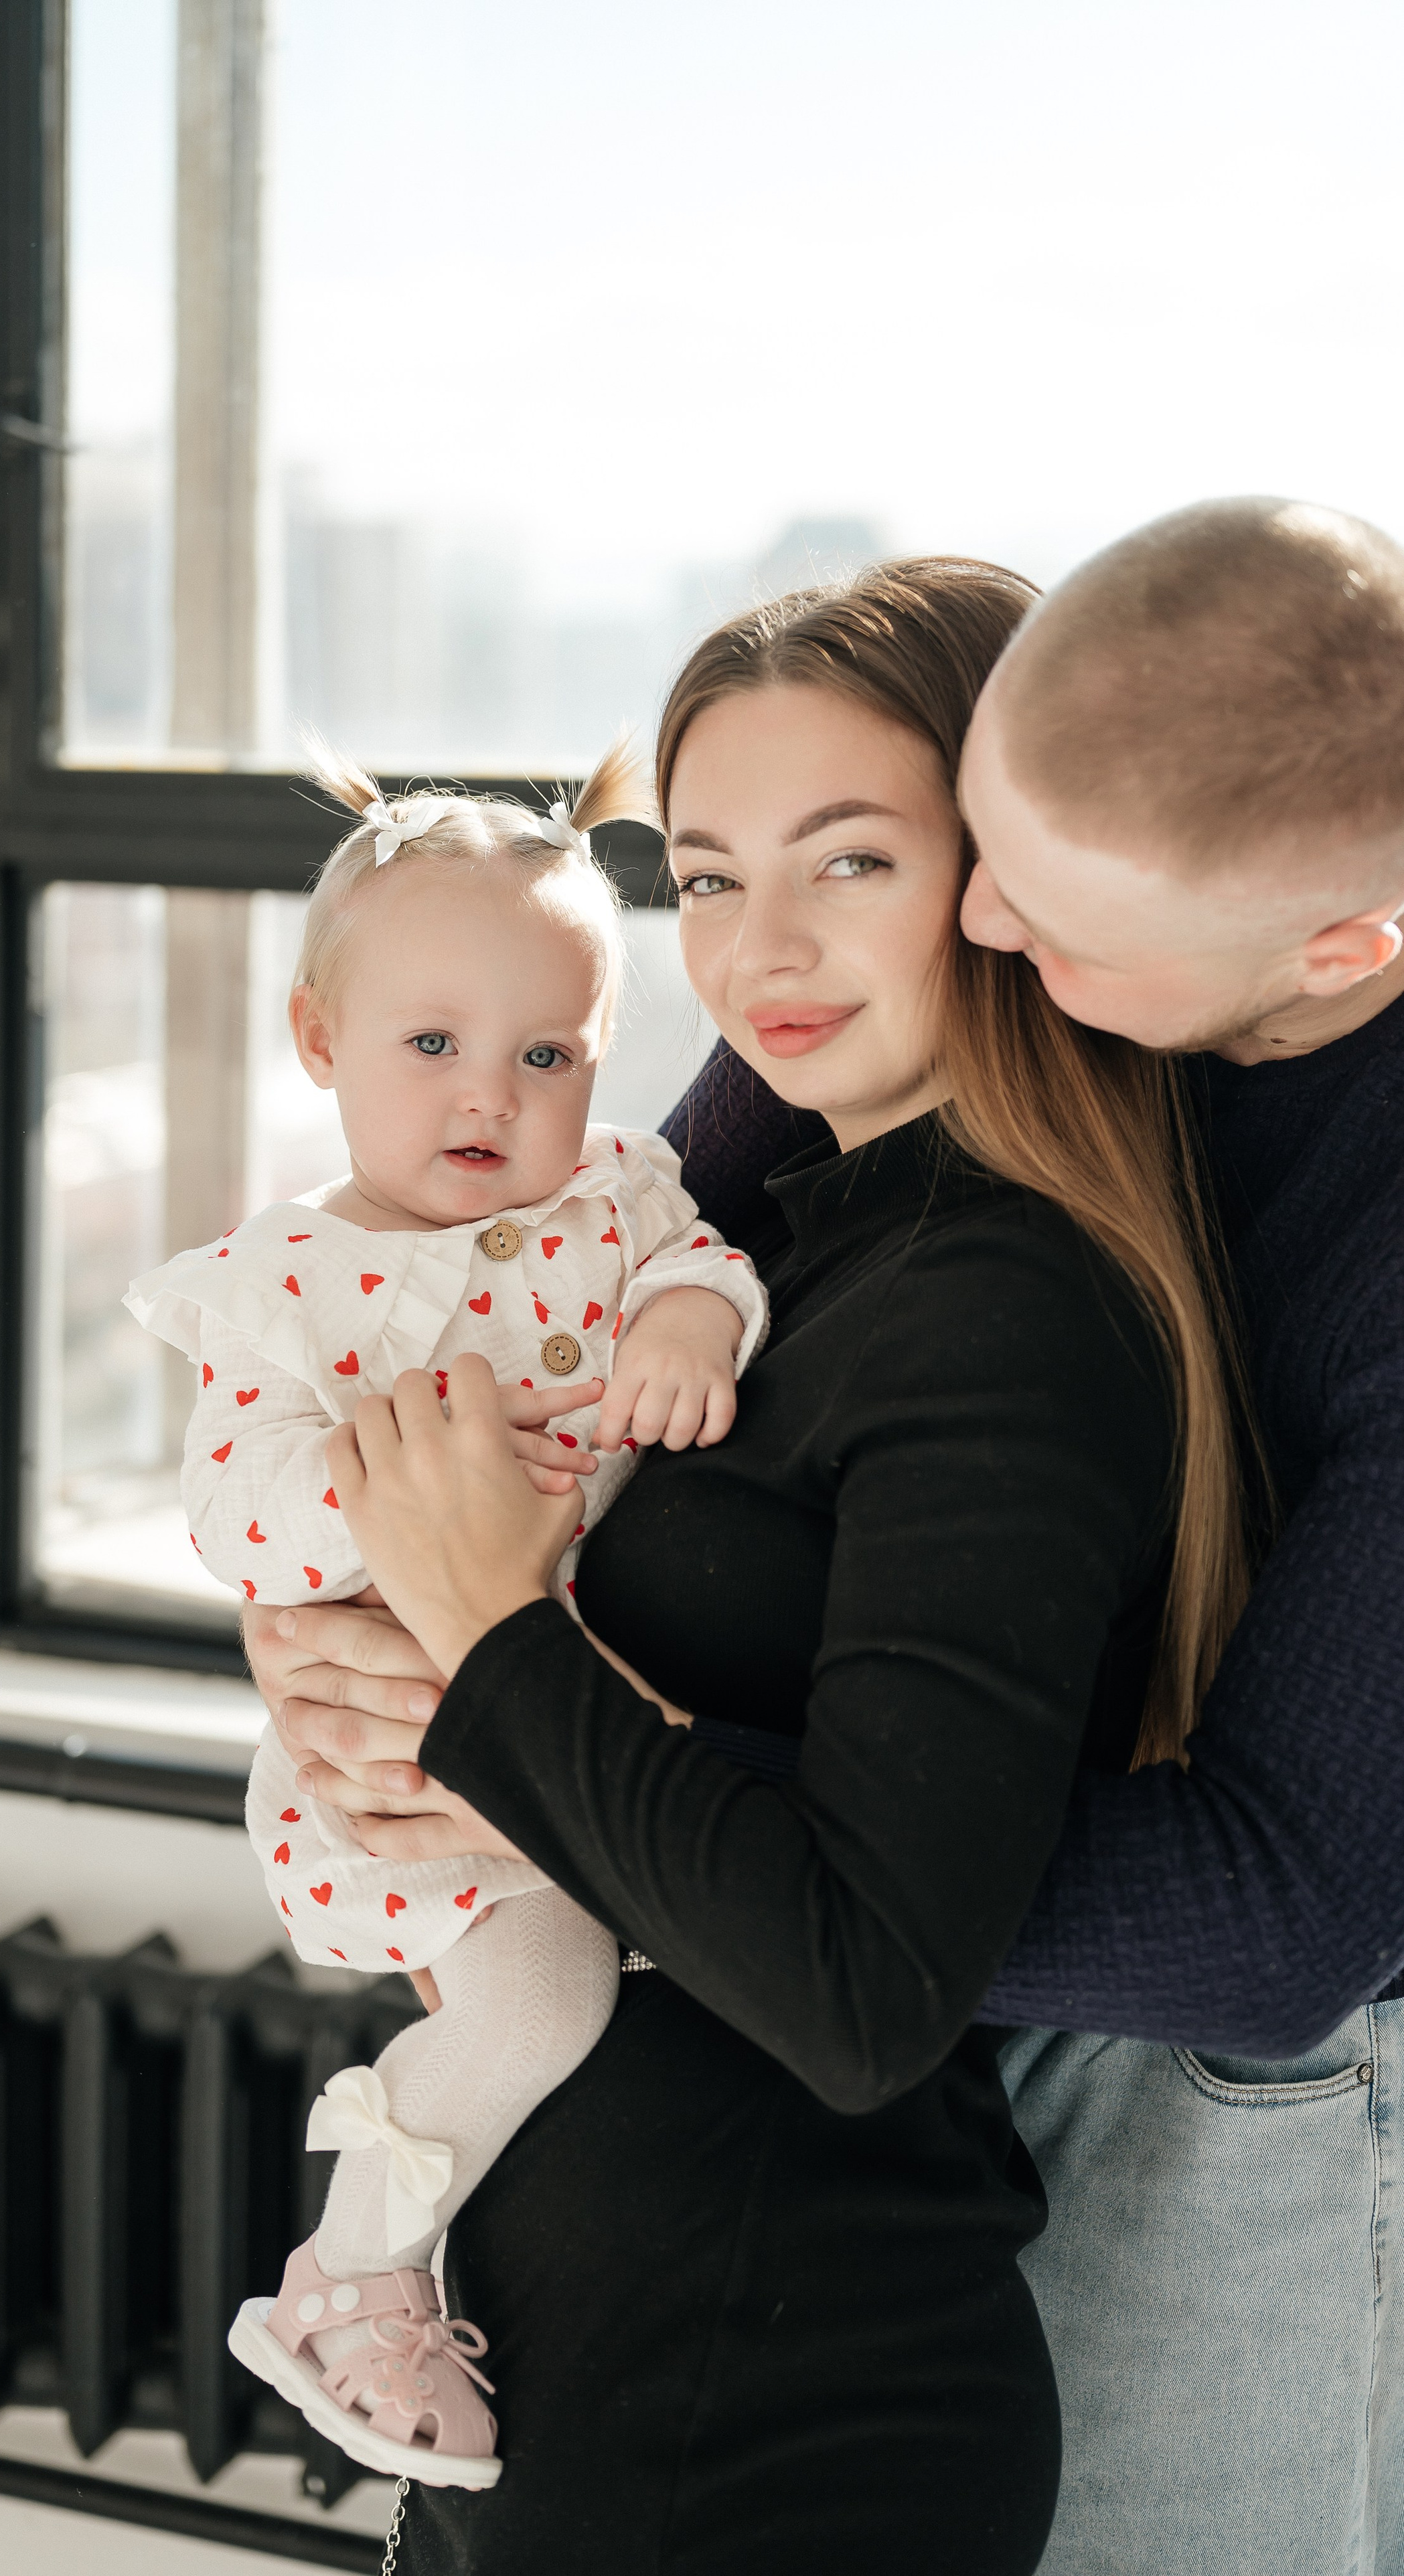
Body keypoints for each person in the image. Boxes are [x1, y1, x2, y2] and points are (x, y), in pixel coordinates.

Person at [255, 560, 1253, 2573]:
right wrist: (343, 1658)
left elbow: (866, 1987)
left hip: (773, 2411)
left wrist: (483, 1646)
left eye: (848, 861)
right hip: (579, 2358)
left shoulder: (1007, 1306)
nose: (759, 949)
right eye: (704, 878)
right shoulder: (766, 1235)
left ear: (1004, 876)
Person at [599, 498, 1404, 2573]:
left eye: (1032, 909)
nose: (969, 933)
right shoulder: (1052, 904)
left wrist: (612, 1792)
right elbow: (636, 1261)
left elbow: (1280, 1914)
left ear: (1339, 950)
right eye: (961, 851)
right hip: (937, 1950)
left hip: (1259, 2063)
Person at [124, 742, 766, 2490]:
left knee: (614, 2015)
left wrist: (691, 1331)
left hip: (583, 1734)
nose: (491, 1094)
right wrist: (389, 1489)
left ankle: (406, 2263)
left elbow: (703, 1255)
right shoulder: (287, 1289)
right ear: (320, 1042)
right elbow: (229, 1510)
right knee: (546, 2009)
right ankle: (349, 2278)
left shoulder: (615, 1199)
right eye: (433, 1046)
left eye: (544, 1053)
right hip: (417, 1759)